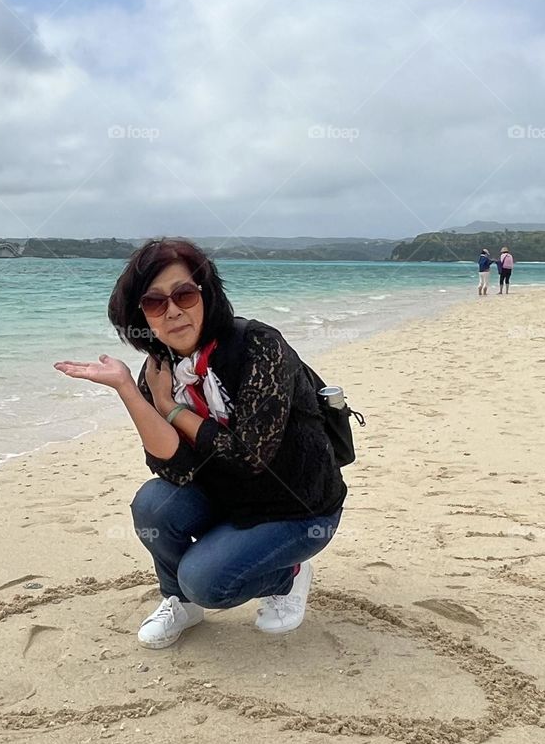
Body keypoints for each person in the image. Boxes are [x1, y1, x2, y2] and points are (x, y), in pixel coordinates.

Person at [54, 238, 347, 649]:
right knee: (153, 504)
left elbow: (250, 457)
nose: (173, 310)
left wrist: (171, 409)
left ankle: (289, 575)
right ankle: (180, 602)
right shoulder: (159, 369)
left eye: (184, 294)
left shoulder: (259, 347)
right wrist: (133, 393)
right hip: (227, 498)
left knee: (207, 582)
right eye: (155, 303)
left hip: (296, 507)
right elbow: (173, 469)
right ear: (141, 316)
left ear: (206, 295)